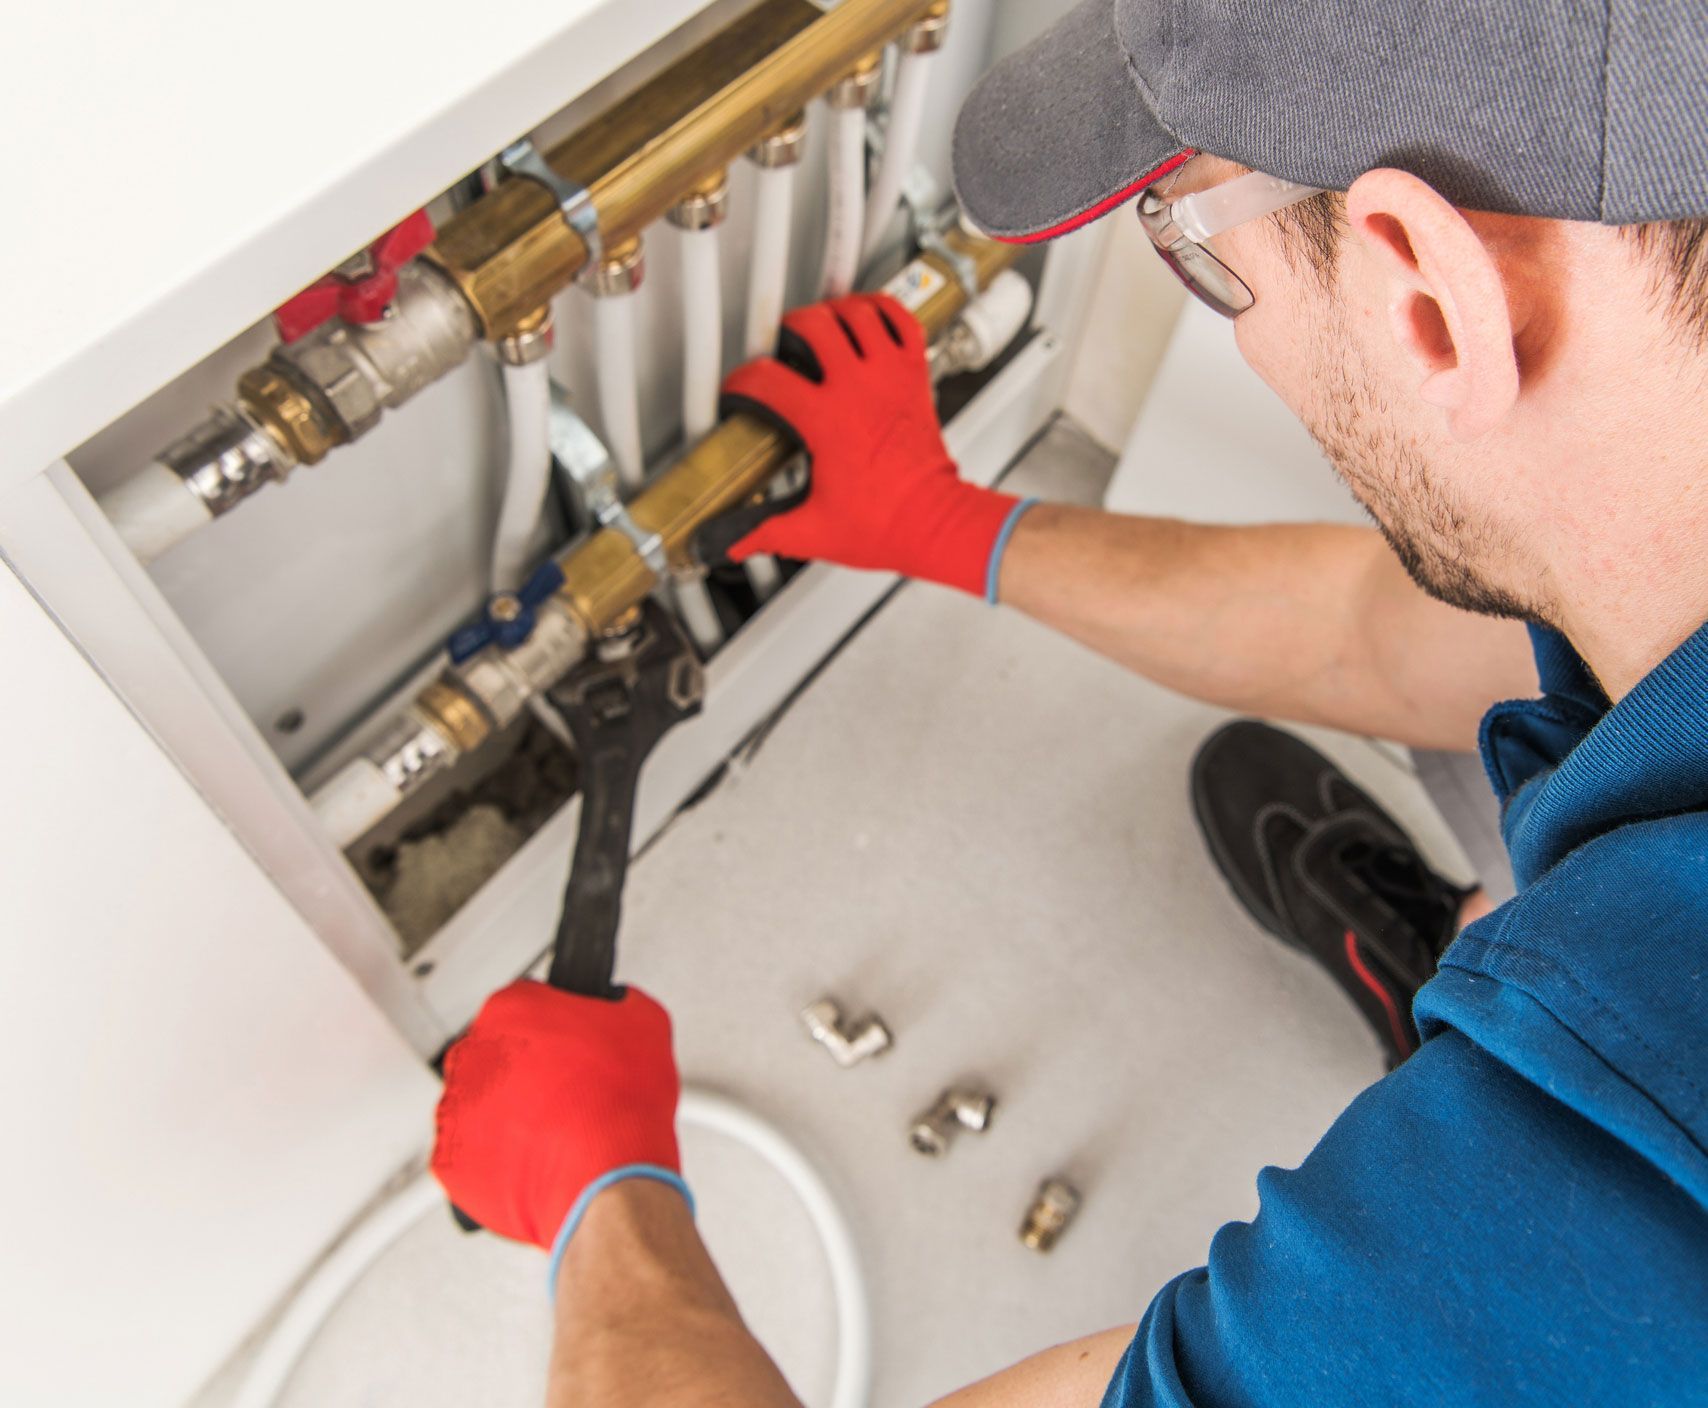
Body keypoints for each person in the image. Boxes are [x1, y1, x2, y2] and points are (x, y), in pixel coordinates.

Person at [431, 0, 1708, 1401]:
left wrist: (602, 1203)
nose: (1222, 315)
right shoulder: (1650, 527)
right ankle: (1473, 947)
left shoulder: (1569, 1245)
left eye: (1195, 248)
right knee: (1503, 889)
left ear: (1434, 302)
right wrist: (945, 522)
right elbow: (1377, 638)